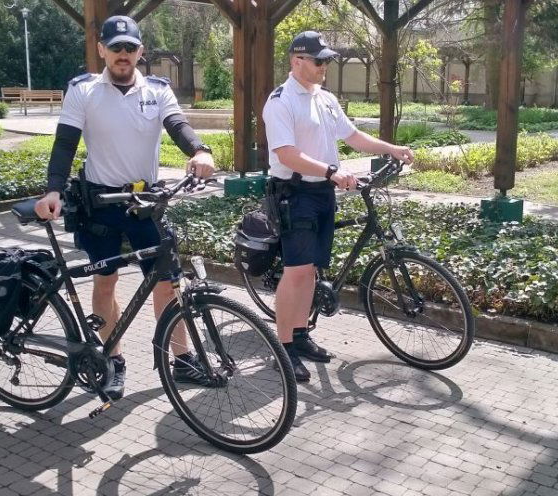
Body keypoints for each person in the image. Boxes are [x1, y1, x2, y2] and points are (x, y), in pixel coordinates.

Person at [34, 15, 217, 399]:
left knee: (167, 282)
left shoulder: (157, 90)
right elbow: (65, 145)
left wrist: (200, 150)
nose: (123, 54)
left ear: (140, 51)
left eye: (130, 48)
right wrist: (52, 190)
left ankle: (181, 361)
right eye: (115, 47)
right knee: (106, 281)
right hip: (101, 203)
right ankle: (112, 360)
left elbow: (178, 126)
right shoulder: (83, 91)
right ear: (101, 49)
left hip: (146, 202)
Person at [262, 31, 414, 383]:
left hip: (322, 194)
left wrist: (390, 148)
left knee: (312, 270)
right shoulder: (280, 101)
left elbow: (352, 137)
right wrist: (331, 170)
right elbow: (286, 154)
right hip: (294, 193)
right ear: (296, 61)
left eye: (327, 60)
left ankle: (299, 337)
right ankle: (283, 349)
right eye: (319, 61)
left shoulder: (326, 99)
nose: (325, 66)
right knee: (297, 271)